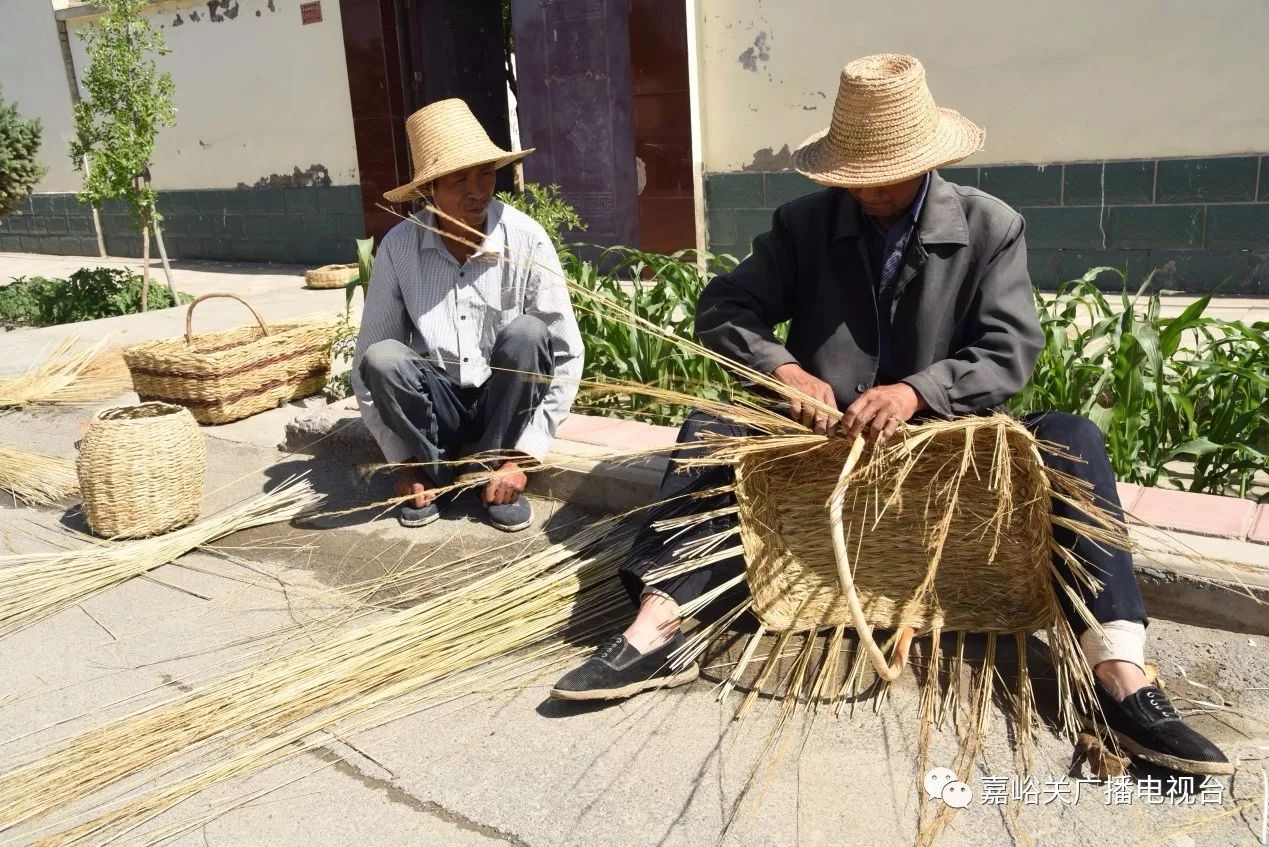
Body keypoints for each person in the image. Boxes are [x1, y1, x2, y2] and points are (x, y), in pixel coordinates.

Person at [551, 55, 1230, 776]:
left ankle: (1121, 674)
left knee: (1071, 439)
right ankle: (658, 624)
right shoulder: (802, 224)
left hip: (945, 439)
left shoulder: (988, 225)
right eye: (856, 173)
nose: (870, 188)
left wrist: (918, 391)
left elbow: (1009, 349)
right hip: (822, 437)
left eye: (887, 170)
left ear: (926, 159)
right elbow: (724, 306)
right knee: (708, 430)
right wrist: (782, 370)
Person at [352, 99, 584, 532]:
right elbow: (367, 362)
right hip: (435, 409)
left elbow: (567, 354)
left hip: (503, 405)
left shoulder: (526, 239)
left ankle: (495, 473)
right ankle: (435, 473)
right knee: (383, 358)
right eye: (459, 178)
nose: (477, 189)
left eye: (485, 173)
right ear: (430, 190)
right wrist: (404, 463)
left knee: (529, 334)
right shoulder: (400, 247)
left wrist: (524, 458)